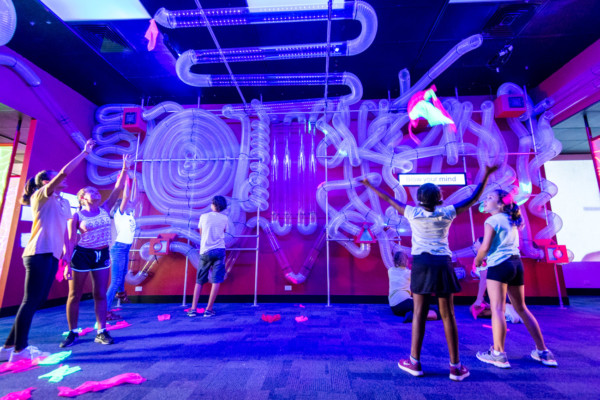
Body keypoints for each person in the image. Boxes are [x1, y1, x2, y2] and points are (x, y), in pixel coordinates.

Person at [363, 164, 497, 381]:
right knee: (449, 315)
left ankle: (414, 362)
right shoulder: (447, 212)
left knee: (418, 314)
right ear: (439, 198)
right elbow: (473, 199)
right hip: (443, 263)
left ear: (420, 200)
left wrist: (370, 186)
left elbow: (389, 199)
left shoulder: (412, 212)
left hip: (422, 264)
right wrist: (487, 175)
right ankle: (455, 367)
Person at [0, 140, 94, 362]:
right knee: (31, 300)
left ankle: (8, 347)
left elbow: (65, 232)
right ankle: (20, 350)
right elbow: (63, 172)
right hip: (37, 253)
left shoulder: (62, 203)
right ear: (45, 181)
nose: (64, 179)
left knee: (36, 300)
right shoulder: (42, 195)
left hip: (51, 255)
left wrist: (67, 259)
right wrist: (84, 153)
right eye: (56, 178)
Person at [474, 190, 557, 369]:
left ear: (501, 204)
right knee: (521, 308)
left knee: (497, 308)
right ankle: (543, 351)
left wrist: (478, 260)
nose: (486, 200)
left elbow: (485, 246)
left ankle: (498, 354)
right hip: (516, 264)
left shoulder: (492, 220)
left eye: (490, 198)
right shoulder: (511, 219)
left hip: (499, 265)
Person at [60, 155, 132, 348]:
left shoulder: (104, 208)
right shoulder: (76, 215)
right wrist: (66, 263)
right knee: (74, 295)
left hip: (102, 255)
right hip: (82, 255)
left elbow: (117, 189)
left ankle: (101, 331)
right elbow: (69, 240)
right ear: (82, 198)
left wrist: (124, 169)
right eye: (91, 191)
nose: (96, 193)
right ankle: (72, 332)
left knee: (100, 293)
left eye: (96, 191)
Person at [187, 196, 229, 318]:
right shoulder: (225, 218)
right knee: (216, 281)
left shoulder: (204, 217)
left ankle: (193, 309)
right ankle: (208, 309)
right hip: (219, 250)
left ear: (213, 204)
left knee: (199, 281)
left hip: (205, 250)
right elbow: (224, 232)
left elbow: (201, 233)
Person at [106, 172, 137, 320]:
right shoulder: (121, 214)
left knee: (123, 274)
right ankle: (105, 310)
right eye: (128, 203)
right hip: (118, 248)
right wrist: (126, 180)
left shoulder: (130, 215)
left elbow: (134, 198)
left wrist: (136, 181)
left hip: (125, 248)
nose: (131, 203)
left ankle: (121, 292)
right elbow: (126, 197)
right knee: (116, 280)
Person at [388, 251, 439, 323]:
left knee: (415, 307)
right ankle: (413, 316)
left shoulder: (390, 271)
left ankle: (412, 314)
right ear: (406, 260)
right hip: (405, 302)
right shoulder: (408, 273)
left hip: (394, 308)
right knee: (436, 312)